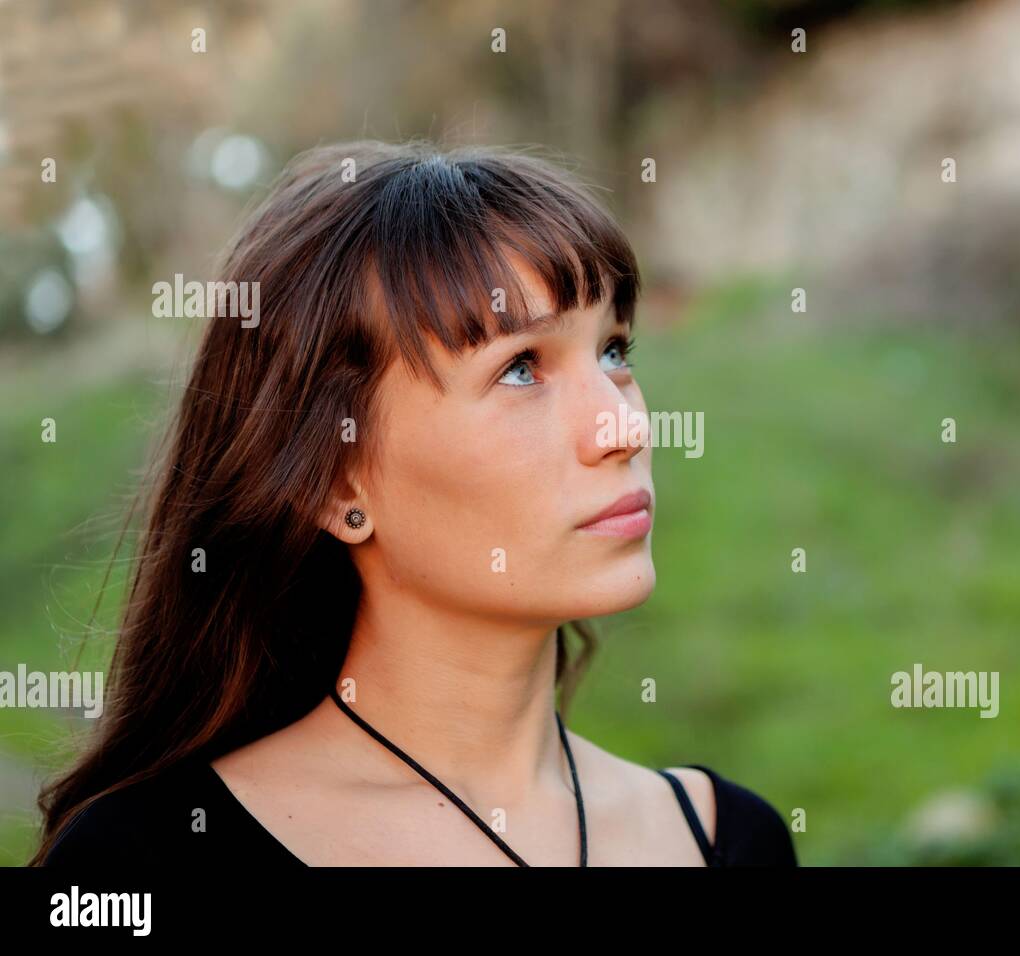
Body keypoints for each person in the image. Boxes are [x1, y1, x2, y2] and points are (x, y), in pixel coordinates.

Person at [33, 140, 797, 867]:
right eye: (522, 367)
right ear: (337, 484)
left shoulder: (730, 843)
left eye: (614, 352)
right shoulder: (145, 858)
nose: (624, 426)